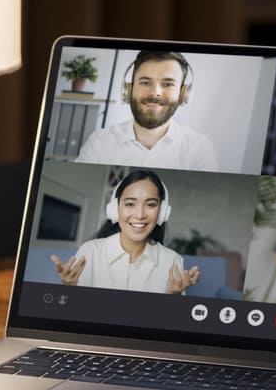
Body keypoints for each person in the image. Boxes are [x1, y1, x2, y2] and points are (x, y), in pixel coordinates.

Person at [51, 170, 202, 294]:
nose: (140, 214)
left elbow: (168, 324)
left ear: (162, 213)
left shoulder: (172, 261)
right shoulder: (90, 252)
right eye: (130, 203)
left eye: (150, 204)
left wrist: (173, 296)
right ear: (115, 209)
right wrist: (69, 288)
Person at [73, 49, 221, 171]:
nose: (155, 92)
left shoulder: (199, 149)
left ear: (183, 94)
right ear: (128, 90)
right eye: (145, 82)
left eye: (168, 84)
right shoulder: (100, 142)